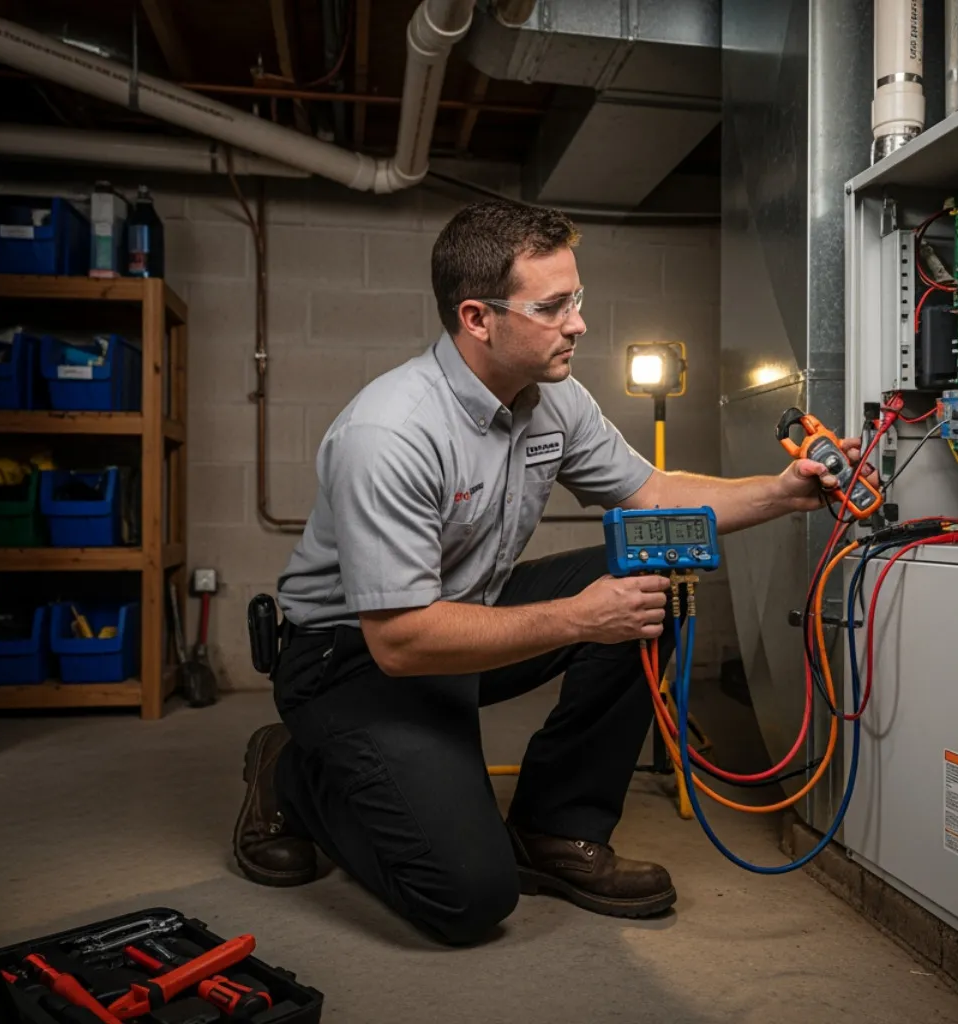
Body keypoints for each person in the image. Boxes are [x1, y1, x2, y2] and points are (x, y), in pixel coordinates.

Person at [231, 199, 871, 946]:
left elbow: (653, 494)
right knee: (467, 899)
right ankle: (292, 771)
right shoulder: (390, 434)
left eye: (578, 299)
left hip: (462, 615)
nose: (579, 323)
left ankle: (556, 829)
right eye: (554, 305)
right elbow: (401, 642)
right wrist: (579, 618)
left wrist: (780, 493)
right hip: (351, 658)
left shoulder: (554, 400)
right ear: (478, 317)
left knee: (649, 573)